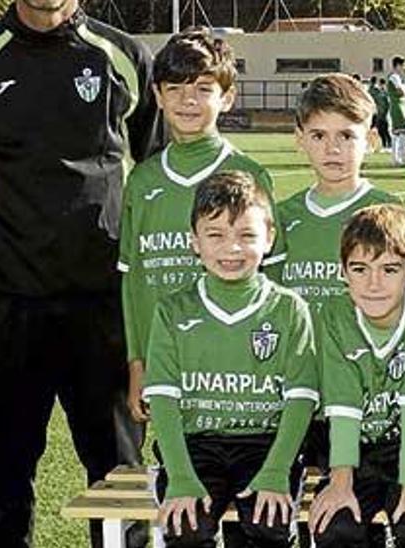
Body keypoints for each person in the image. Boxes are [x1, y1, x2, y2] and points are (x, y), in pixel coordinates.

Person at [0, 1, 159, 545]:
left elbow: (153, 169)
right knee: (2, 482)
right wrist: (7, 234)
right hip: (2, 303)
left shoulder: (123, 56)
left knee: (120, 481)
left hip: (104, 306)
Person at [143, 171, 317, 548]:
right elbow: (163, 399)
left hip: (265, 445)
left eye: (246, 235)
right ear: (194, 241)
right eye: (216, 235)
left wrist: (275, 470)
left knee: (267, 524)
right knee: (187, 527)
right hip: (196, 446)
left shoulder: (289, 310)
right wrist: (181, 475)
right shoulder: (173, 310)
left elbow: (301, 398)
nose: (231, 249)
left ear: (269, 239)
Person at [121, 29, 277, 427]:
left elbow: (272, 278)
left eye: (204, 88)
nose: (188, 100)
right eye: (174, 88)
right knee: (179, 472)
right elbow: (134, 281)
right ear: (157, 96)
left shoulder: (249, 174)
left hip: (238, 366)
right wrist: (137, 362)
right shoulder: (142, 180)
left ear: (227, 98)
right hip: (167, 361)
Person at [308, 204, 405, 548]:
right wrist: (341, 480)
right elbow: (343, 401)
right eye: (360, 269)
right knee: (336, 528)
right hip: (353, 444)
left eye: (389, 269)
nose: (373, 284)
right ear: (343, 271)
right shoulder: (334, 314)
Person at [267, 74, 405, 315]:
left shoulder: (391, 212)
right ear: (301, 140)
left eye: (346, 136)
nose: (332, 149)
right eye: (319, 136)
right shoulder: (282, 216)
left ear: (371, 140)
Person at [387, 56, 405, 166]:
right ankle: (398, 158)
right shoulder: (394, 77)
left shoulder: (398, 78)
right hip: (397, 106)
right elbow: (401, 91)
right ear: (398, 66)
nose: (404, 68)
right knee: (400, 133)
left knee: (399, 133)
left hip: (400, 105)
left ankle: (398, 158)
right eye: (403, 65)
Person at [369, 75, 392, 152]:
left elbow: (386, 103)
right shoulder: (375, 91)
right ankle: (385, 145)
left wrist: (385, 112)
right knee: (381, 130)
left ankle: (389, 145)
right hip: (379, 113)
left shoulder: (380, 92)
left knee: (384, 130)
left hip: (382, 113)